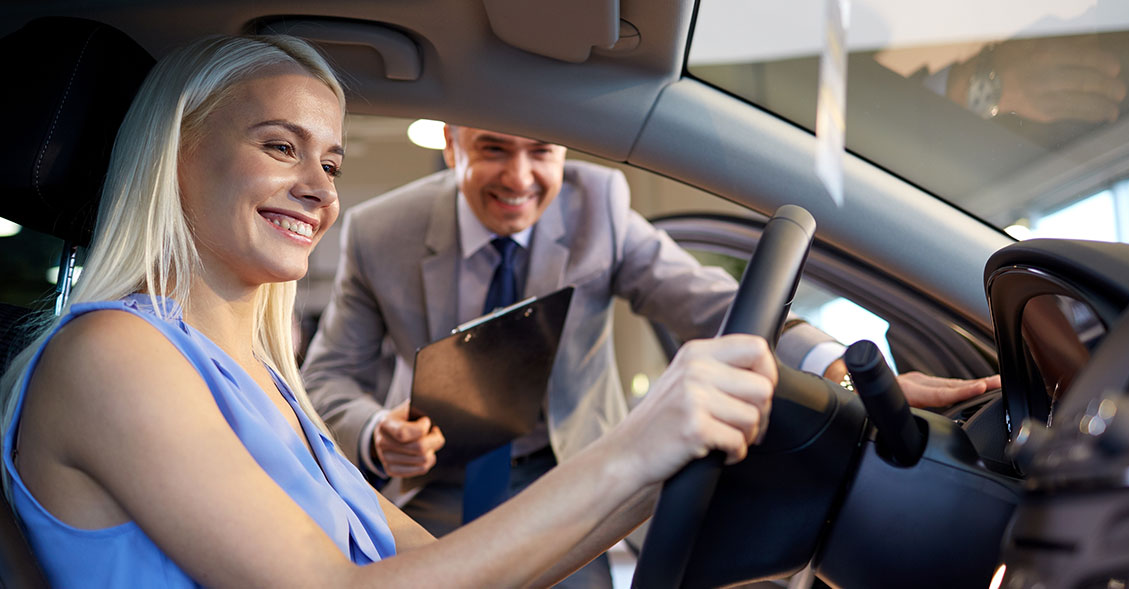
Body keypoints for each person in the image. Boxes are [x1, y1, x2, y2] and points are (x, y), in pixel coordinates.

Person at [0, 34, 779, 587]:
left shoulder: (267, 383)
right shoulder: (112, 353)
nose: (321, 188)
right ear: (176, 152)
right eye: (280, 147)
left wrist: (674, 466)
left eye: (331, 161)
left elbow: (425, 557)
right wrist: (641, 446)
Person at [300, 119, 1001, 577]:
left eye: (541, 150)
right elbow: (328, 377)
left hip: (568, 478)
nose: (520, 178)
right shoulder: (378, 232)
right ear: (452, 142)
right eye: (492, 149)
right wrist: (374, 433)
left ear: (564, 148)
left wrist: (839, 367)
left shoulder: (599, 205)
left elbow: (713, 304)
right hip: (437, 488)